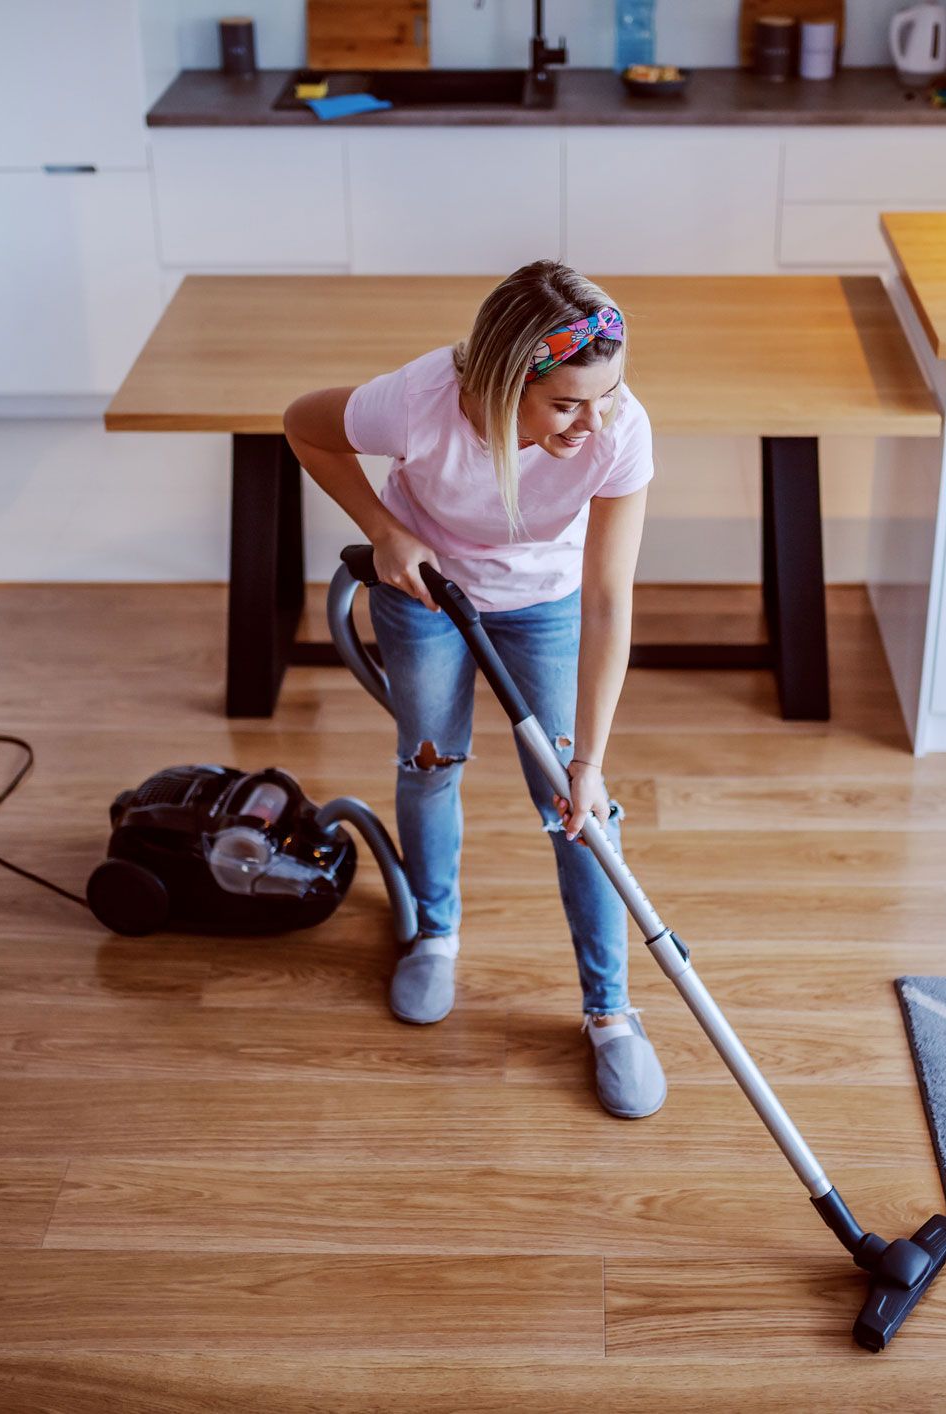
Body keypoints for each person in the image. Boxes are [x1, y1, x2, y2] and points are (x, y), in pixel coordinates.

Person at [283, 260, 664, 1119]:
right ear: (501, 381)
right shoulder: (418, 401)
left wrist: (592, 763)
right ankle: (433, 931)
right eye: (567, 402)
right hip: (422, 597)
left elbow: (608, 601)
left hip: (548, 605)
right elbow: (304, 425)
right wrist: (382, 531)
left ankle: (608, 1012)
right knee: (429, 764)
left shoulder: (618, 430)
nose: (592, 420)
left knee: (577, 807)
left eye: (605, 395)